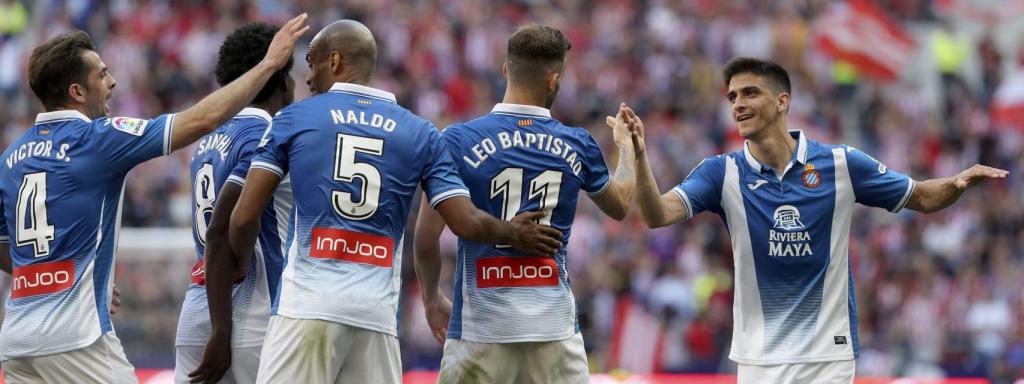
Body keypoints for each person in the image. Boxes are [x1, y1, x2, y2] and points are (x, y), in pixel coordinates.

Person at [628, 57, 1009, 383]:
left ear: (782, 101)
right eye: (732, 97)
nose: (738, 104)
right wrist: (641, 157)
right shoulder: (721, 172)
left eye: (749, 93)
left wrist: (958, 182)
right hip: (759, 359)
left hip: (828, 356)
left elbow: (922, 196)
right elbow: (657, 214)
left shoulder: (841, 163)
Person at [227, 20, 563, 384]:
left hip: (306, 307)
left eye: (312, 63)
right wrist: (511, 232)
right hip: (376, 318)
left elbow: (245, 217)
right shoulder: (420, 132)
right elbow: (464, 221)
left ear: (335, 61)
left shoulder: (294, 118)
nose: (308, 78)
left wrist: (240, 271)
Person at [0, 14, 308, 384]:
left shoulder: (11, 156)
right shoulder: (98, 139)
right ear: (76, 93)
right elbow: (201, 120)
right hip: (76, 336)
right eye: (101, 74)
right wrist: (270, 64)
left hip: (17, 339)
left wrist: (49, 275)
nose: (112, 82)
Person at [413, 24, 636, 384]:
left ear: (505, 70)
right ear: (554, 80)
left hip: (479, 333)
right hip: (554, 333)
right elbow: (621, 205)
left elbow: (426, 238)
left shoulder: (457, 139)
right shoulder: (578, 143)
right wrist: (627, 149)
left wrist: (430, 298)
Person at [173, 23, 296, 384]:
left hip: (197, 309)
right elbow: (222, 231)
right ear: (283, 82)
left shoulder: (206, 142)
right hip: (250, 317)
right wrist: (221, 331)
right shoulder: (268, 135)